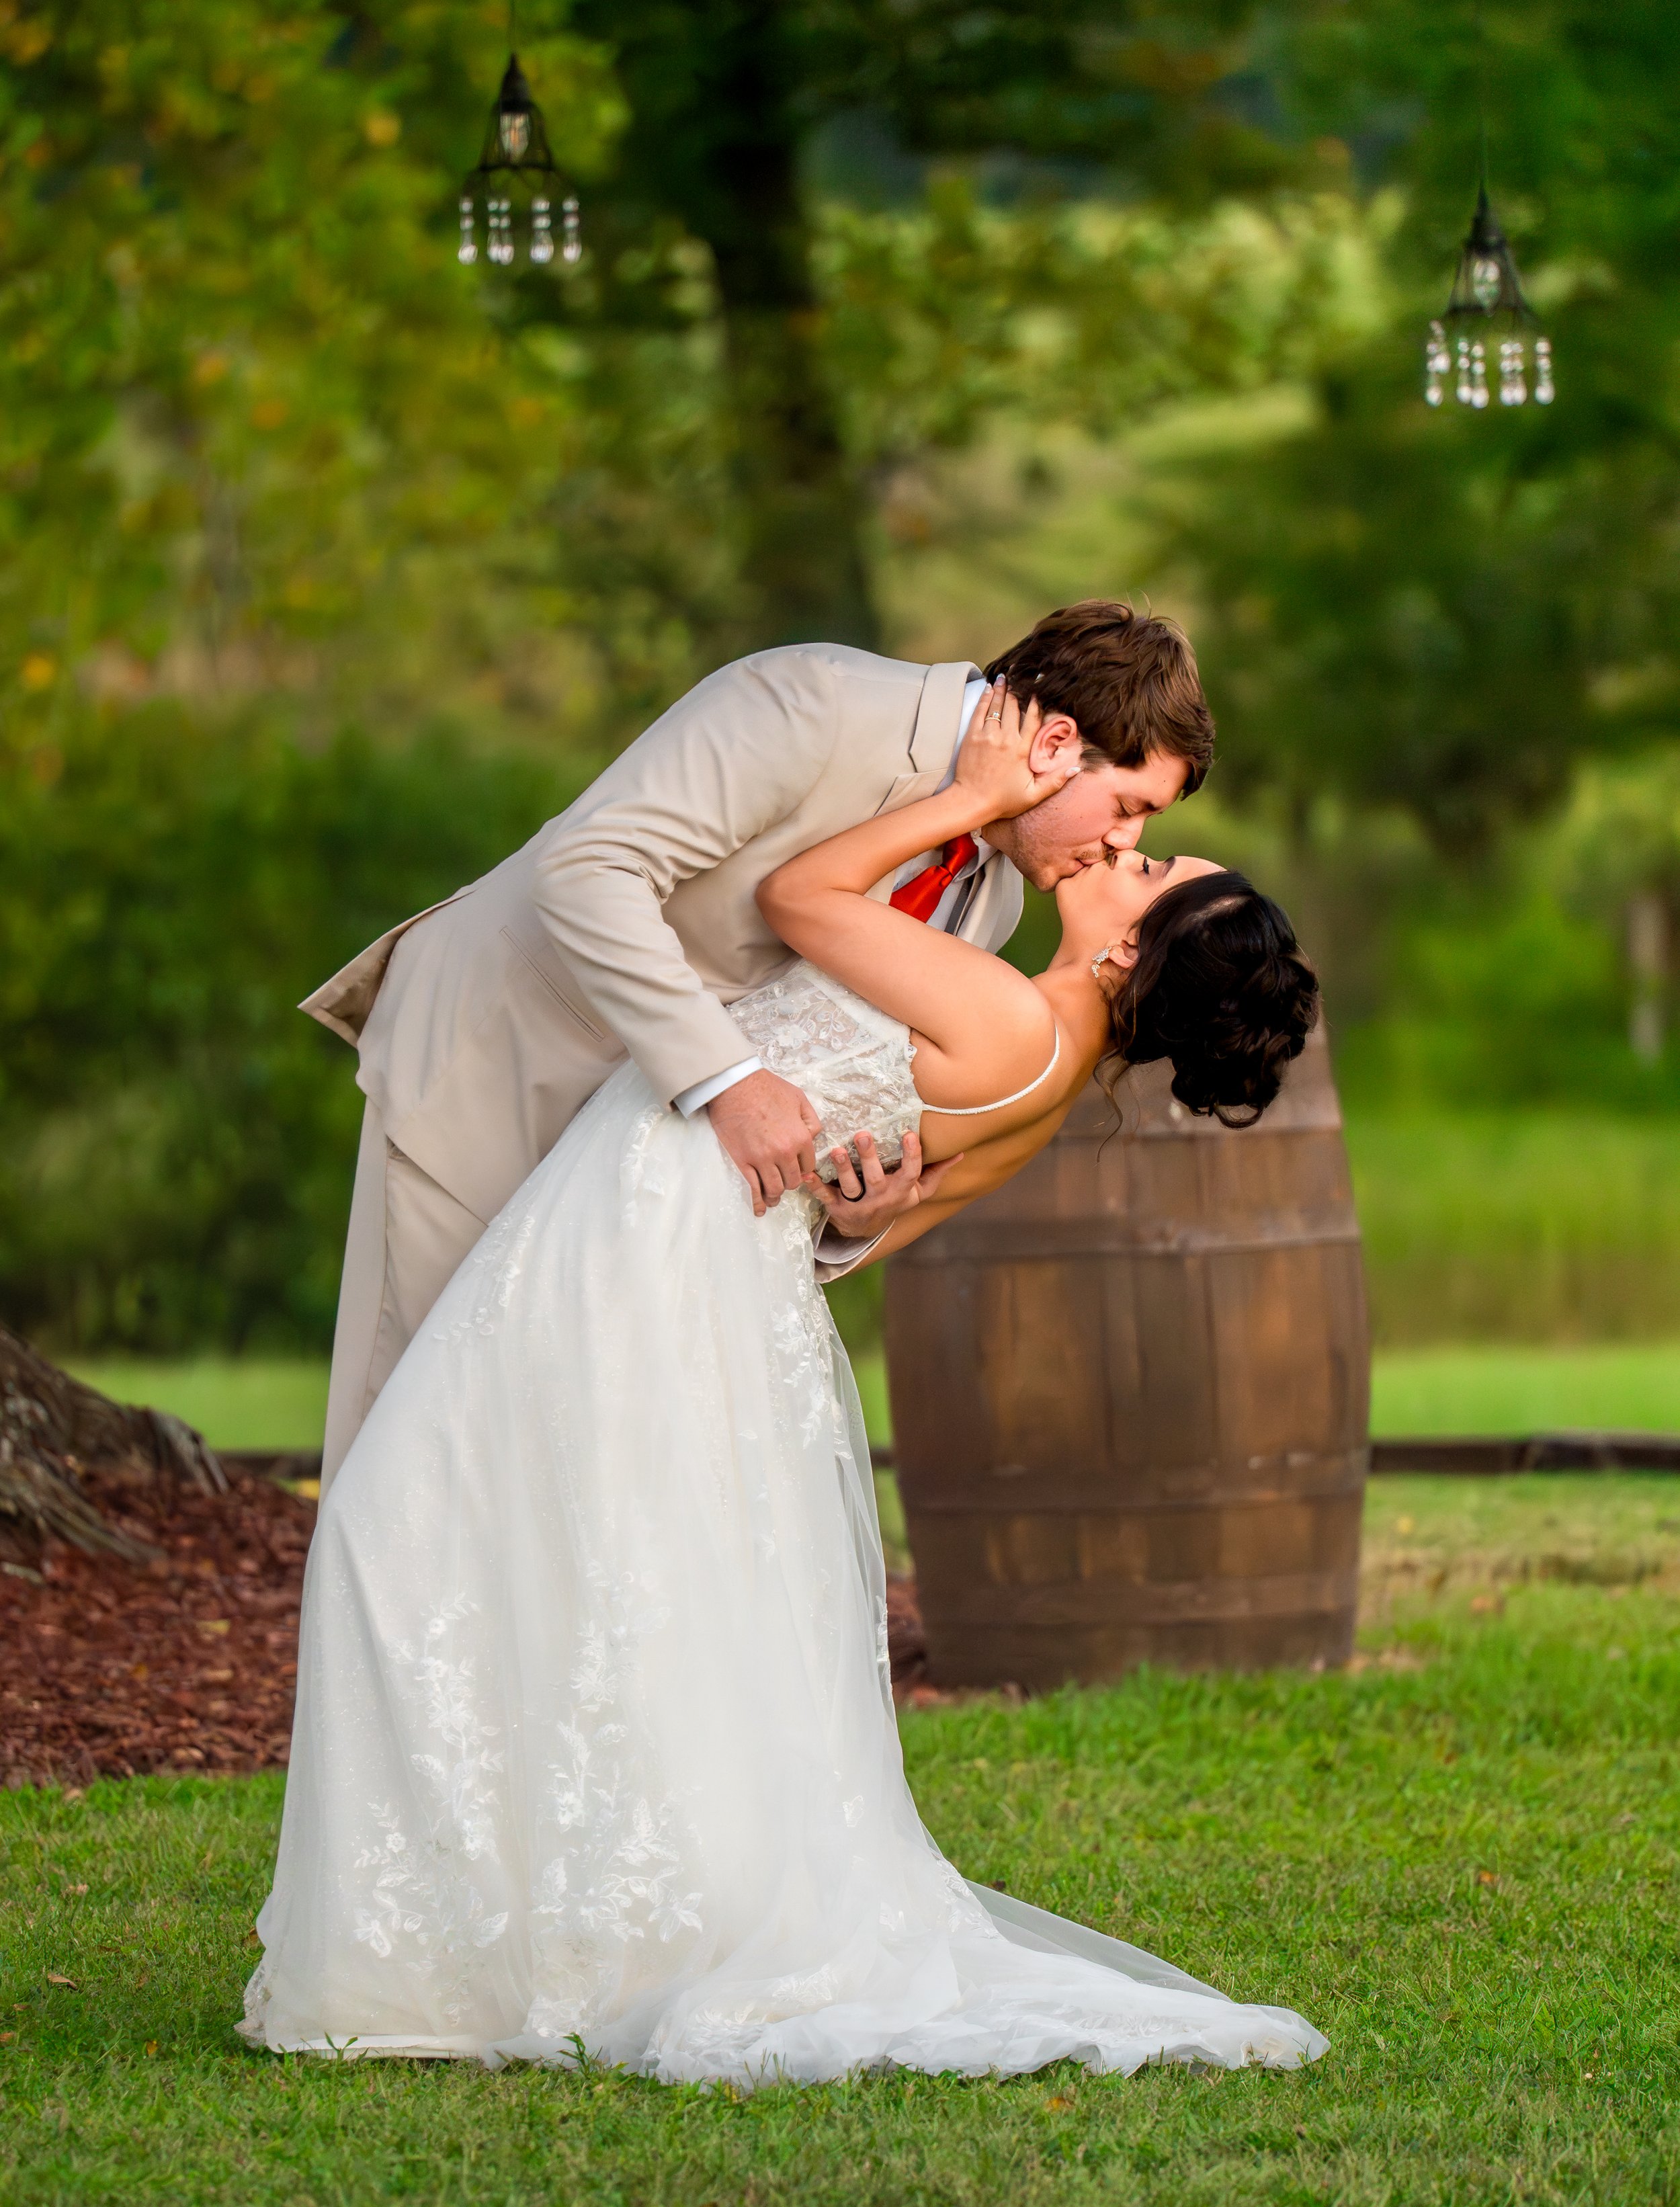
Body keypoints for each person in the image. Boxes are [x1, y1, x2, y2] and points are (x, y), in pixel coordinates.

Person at [243, 673, 1327, 2083]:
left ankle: (469, 1938)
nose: (1117, 851)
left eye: (1145, 863)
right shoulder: (1041, 1066)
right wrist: (856, 1198)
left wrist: (968, 801)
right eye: (1133, 824)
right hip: (677, 1245)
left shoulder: (1007, 1009)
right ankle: (521, 1925)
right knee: (559, 1562)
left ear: (1131, 958)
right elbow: (871, 1223)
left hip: (644, 1237)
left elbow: (805, 902)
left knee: (413, 1529)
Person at [306, 600, 1218, 1492]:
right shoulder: (813, 702)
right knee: (409, 1459)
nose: (1122, 843)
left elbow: (835, 1083)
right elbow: (588, 867)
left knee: (544, 1487)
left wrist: (853, 1221)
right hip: (499, 1063)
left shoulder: (995, 903)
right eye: (1129, 806)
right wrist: (725, 1081)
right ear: (1057, 745)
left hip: (634, 1183)